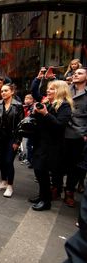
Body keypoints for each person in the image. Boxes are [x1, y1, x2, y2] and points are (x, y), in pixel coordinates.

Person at [29, 81, 73, 211]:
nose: (48, 91)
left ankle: (46, 201)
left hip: (52, 146)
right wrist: (35, 113)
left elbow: (59, 126)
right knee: (38, 170)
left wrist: (46, 114)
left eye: (52, 89)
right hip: (40, 142)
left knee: (42, 171)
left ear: (60, 90)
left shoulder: (65, 106)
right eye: (48, 88)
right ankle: (43, 195)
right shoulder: (48, 102)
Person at [0, 84, 24, 197]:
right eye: (2, 91)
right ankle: (3, 182)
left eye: (6, 90)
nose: (3, 93)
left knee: (9, 161)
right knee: (1, 160)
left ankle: (10, 185)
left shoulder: (18, 105)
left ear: (12, 92)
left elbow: (20, 125)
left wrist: (17, 141)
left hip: (12, 138)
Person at [64, 68, 87, 207]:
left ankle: (69, 192)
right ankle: (55, 187)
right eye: (75, 73)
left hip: (78, 134)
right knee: (58, 163)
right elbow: (44, 93)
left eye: (80, 73)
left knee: (74, 167)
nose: (76, 74)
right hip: (61, 131)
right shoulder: (66, 89)